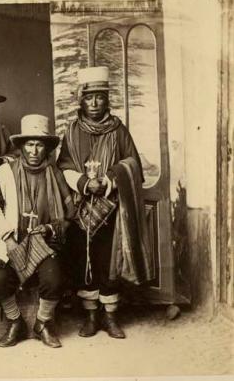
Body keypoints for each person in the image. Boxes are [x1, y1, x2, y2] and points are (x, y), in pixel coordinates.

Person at [57, 66, 155, 339]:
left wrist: (111, 179)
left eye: (100, 97)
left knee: (109, 262)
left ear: (107, 99)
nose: (95, 102)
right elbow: (63, 164)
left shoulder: (118, 129)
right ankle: (90, 317)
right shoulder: (72, 130)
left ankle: (111, 317)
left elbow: (132, 162)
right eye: (90, 97)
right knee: (85, 261)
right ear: (82, 99)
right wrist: (84, 183)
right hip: (81, 209)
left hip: (112, 208)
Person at [0, 114, 75, 349]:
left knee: (53, 278)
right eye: (29, 144)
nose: (34, 150)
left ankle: (42, 323)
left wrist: (50, 228)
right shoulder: (4, 173)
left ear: (46, 148)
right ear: (21, 146)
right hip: (12, 240)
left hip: (43, 242)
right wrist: (8, 238)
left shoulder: (56, 175)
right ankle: (15, 322)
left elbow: (69, 214)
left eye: (39, 144)